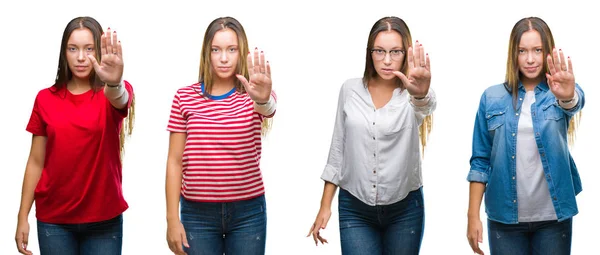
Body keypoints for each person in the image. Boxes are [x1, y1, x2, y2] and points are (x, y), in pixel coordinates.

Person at [307, 16, 436, 255]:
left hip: (405, 209)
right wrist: (325, 205)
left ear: (405, 53)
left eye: (395, 52)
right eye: (380, 51)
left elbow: (426, 106)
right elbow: (338, 148)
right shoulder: (349, 90)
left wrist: (420, 94)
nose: (387, 60)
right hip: (355, 207)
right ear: (370, 52)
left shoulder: (413, 94)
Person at [14, 16, 135, 255]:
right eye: (73, 48)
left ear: (98, 52)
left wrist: (114, 82)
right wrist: (22, 216)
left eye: (89, 49)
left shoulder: (113, 93)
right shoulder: (45, 99)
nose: (81, 57)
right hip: (54, 221)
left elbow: (120, 98)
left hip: (104, 220)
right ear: (64, 52)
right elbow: (36, 162)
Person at [466, 16, 584, 255]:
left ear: (548, 52)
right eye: (523, 51)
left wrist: (568, 95)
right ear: (514, 54)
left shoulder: (559, 92)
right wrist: (472, 215)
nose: (530, 59)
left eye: (537, 50)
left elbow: (574, 103)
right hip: (504, 219)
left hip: (554, 217)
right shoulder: (491, 97)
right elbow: (480, 160)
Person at [164, 16, 277, 255]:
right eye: (216, 50)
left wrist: (263, 98)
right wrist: (172, 219)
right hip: (197, 215)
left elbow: (268, 108)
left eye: (231, 49)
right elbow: (175, 161)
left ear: (241, 52)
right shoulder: (184, 97)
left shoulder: (254, 94)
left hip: (248, 213)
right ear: (207, 52)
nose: (224, 58)